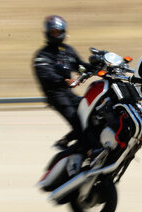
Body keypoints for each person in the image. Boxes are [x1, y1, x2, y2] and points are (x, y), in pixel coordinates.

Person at [33, 15, 91, 150]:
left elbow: (80, 66)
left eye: (58, 32)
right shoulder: (42, 55)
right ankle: (87, 151)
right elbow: (46, 75)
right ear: (47, 33)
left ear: (63, 32)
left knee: (94, 114)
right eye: (53, 32)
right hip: (56, 96)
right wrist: (65, 81)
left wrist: (99, 66)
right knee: (78, 122)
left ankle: (65, 140)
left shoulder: (68, 50)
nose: (56, 34)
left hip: (69, 93)